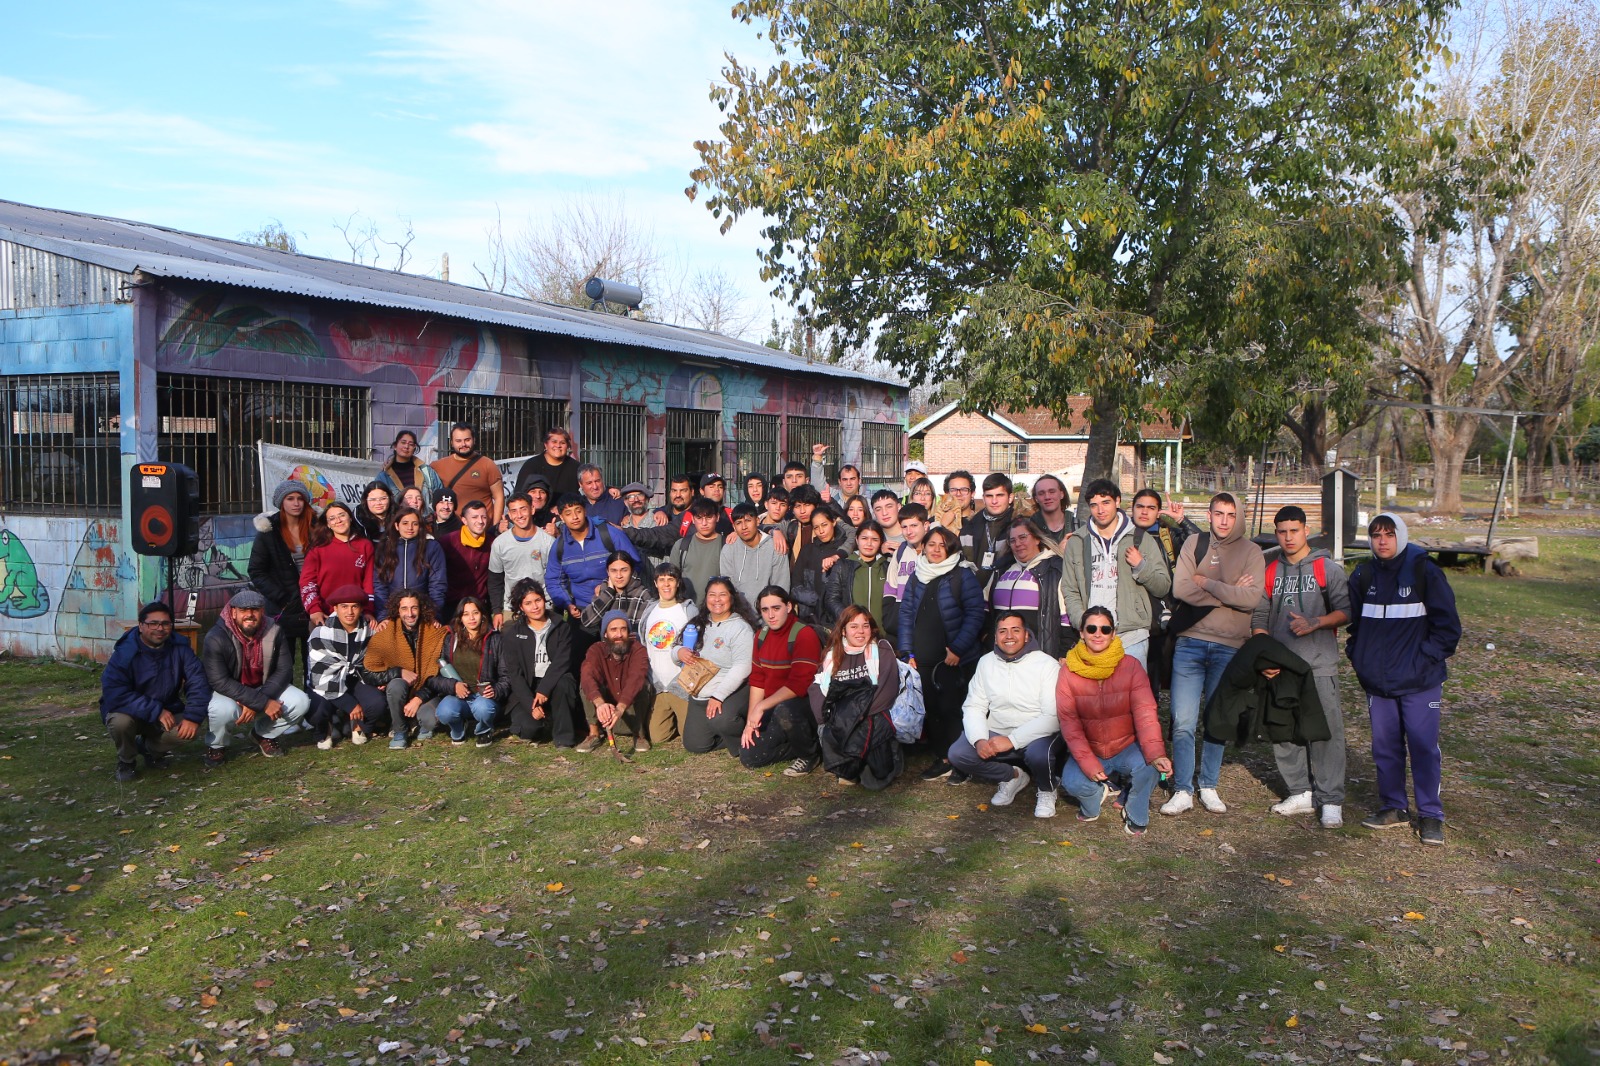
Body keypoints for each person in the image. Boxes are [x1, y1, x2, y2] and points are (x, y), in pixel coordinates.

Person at [1347, 512, 1461, 847]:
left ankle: (1431, 815)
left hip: (1419, 680)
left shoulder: (1424, 571)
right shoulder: (1363, 575)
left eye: (1389, 534)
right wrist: (1360, 657)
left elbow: (1448, 627)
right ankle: (1394, 807)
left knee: (1423, 747)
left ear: (1402, 536)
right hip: (1378, 681)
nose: (1382, 541)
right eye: (1376, 535)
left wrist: (1423, 659)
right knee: (1385, 747)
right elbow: (1355, 625)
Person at [1161, 492, 1264, 816]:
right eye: (1218, 513)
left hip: (1230, 646)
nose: (1224, 520)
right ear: (1208, 515)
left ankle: (1208, 784)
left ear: (1238, 517)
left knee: (1217, 719)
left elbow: (1251, 599)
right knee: (1183, 720)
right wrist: (1230, 591)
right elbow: (1181, 589)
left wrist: (1207, 583)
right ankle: (1182, 789)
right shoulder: (1195, 544)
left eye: (1230, 514)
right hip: (1190, 643)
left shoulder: (1252, 552)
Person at [1250, 506, 1352, 827]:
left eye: (1294, 530)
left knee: (1325, 733)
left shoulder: (1327, 569)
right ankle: (1300, 792)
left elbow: (1346, 610)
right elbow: (1259, 617)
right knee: (1284, 730)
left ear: (1307, 530)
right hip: (1281, 668)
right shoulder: (1269, 570)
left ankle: (1330, 799)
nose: (1288, 537)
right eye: (1282, 532)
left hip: (1318, 666)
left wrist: (1316, 622)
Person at [1056, 606, 1172, 835]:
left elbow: (1145, 713)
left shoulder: (1130, 666)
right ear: (1082, 633)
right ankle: (1095, 797)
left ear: (1113, 633)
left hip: (1125, 745)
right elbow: (1069, 724)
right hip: (1091, 748)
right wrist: (1088, 763)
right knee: (1073, 783)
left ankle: (1135, 810)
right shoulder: (1068, 671)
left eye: (1105, 629)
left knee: (1151, 766)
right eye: (1091, 629)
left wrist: (1156, 753)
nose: (1098, 634)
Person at [948, 612, 1067, 816]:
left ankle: (1047, 789)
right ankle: (1012, 776)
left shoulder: (1047, 665)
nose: (1009, 636)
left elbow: (1052, 717)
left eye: (1015, 630)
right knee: (958, 754)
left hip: (1036, 732)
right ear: (995, 637)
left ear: (1026, 635)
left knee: (1039, 755)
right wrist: (979, 739)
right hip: (998, 729)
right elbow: (974, 706)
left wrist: (1012, 740)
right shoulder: (986, 663)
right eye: (1003, 631)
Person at [897, 526, 986, 781]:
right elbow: (906, 614)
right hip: (921, 656)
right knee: (932, 710)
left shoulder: (962, 575)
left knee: (952, 709)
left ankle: (962, 763)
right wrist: (907, 652)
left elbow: (975, 615)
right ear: (924, 547)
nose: (936, 549)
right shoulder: (917, 575)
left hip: (951, 657)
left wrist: (958, 649)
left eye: (942, 545)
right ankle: (943, 758)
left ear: (951, 548)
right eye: (931, 544)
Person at [1060, 479, 1172, 671]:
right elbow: (1070, 589)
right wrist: (1083, 623)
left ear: (1118, 501)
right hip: (1092, 637)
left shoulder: (1140, 539)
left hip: (1132, 636)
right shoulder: (1077, 541)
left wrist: (1141, 567)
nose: (1100, 510)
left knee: (1131, 690)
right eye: (1094, 505)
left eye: (1106, 503)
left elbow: (1163, 586)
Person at [201, 589, 312, 768]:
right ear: (233, 612)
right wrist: (261, 702)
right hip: (230, 691)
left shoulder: (274, 630)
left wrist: (259, 700)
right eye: (243, 610)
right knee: (221, 709)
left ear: (262, 611)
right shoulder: (215, 637)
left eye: (255, 609)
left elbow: (284, 670)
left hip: (264, 687)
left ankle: (263, 734)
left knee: (300, 701)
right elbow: (218, 680)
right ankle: (216, 745)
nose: (250, 614)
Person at [101, 601, 209, 781]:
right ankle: (126, 761)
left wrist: (192, 717)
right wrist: (155, 710)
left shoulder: (181, 648)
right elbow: (114, 692)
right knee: (120, 722)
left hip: (168, 709)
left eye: (165, 623)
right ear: (141, 626)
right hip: (131, 712)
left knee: (188, 731)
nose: (160, 628)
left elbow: (199, 682)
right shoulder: (124, 652)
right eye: (153, 623)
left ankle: (148, 748)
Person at [734, 586, 824, 774]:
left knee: (786, 710)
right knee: (750, 756)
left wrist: (761, 707)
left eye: (776, 608)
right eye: (765, 610)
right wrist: (751, 721)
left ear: (789, 607)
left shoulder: (804, 634)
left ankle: (809, 754)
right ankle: (801, 744)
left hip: (802, 705)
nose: (771, 615)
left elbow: (800, 685)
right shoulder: (761, 636)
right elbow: (758, 680)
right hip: (773, 705)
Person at [811, 606, 902, 789]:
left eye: (865, 626)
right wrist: (828, 717)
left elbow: (886, 692)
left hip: (872, 716)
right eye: (854, 626)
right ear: (843, 630)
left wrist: (853, 715)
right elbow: (816, 689)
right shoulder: (832, 655)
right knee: (831, 730)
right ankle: (850, 765)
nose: (860, 631)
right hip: (840, 719)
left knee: (875, 781)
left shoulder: (882, 650)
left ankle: (887, 759)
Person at [362, 589, 449, 748]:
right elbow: (368, 671)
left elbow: (440, 674)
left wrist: (418, 698)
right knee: (396, 684)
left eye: (414, 608)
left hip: (427, 691)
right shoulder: (385, 633)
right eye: (404, 608)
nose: (410, 614)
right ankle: (399, 730)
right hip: (399, 692)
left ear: (421, 608)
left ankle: (418, 721)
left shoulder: (435, 632)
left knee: (429, 720)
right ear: (397, 610)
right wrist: (398, 672)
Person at [501, 579, 581, 746]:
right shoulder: (512, 633)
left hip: (554, 681)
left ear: (544, 600)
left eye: (538, 600)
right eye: (528, 603)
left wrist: (544, 689)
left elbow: (562, 662)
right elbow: (515, 675)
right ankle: (541, 719)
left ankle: (564, 739)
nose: (535, 607)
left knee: (565, 682)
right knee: (530, 730)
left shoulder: (561, 626)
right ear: (521, 607)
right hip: (528, 686)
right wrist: (531, 704)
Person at [305, 584, 387, 748]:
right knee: (317, 711)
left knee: (377, 704)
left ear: (361, 608)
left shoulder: (369, 631)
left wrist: (380, 678)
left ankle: (357, 725)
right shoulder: (321, 633)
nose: (350, 612)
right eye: (344, 607)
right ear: (335, 608)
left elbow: (377, 659)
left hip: (355, 678)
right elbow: (320, 678)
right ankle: (325, 727)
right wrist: (351, 705)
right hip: (324, 682)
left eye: (354, 606)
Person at [249, 480, 313, 678]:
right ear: (281, 502)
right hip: (283, 607)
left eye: (300, 498)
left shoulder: (317, 526)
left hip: (313, 603)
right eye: (290, 498)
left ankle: (314, 697)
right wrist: (282, 598)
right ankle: (286, 697)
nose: (296, 503)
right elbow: (256, 571)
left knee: (315, 661)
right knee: (283, 664)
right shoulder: (268, 531)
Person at [546, 494, 640, 623]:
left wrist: (607, 586)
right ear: (561, 517)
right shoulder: (559, 546)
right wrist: (567, 604)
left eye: (578, 511)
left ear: (585, 511)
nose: (574, 517)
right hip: (582, 611)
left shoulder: (609, 534)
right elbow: (554, 581)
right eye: (568, 513)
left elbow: (634, 565)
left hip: (616, 606)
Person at [435, 597, 508, 747]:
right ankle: (458, 729)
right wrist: (453, 686)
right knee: (444, 711)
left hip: (484, 698)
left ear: (482, 615)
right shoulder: (450, 639)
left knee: (483, 709)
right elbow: (435, 676)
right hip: (459, 696)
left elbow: (506, 675)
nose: (472, 618)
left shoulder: (495, 639)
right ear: (460, 618)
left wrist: (495, 690)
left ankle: (484, 731)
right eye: (466, 614)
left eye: (475, 613)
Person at [992, 517, 1071, 657]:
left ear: (1036, 539)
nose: (1018, 544)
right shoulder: (1001, 569)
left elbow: (1066, 618)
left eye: (1023, 537)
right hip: (1003, 654)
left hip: (1040, 653)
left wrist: (1064, 653)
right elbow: (985, 608)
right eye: (1012, 540)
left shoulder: (1055, 569)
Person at [640, 564, 699, 746]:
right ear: (655, 583)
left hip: (680, 684)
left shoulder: (688, 610)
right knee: (658, 737)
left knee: (689, 737)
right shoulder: (649, 610)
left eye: (671, 580)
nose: (666, 584)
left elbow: (699, 646)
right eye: (662, 580)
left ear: (678, 582)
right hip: (657, 684)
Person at [578, 612, 651, 753]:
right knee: (586, 684)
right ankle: (594, 733)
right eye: (613, 630)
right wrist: (600, 704)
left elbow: (637, 677)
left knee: (643, 685)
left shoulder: (638, 650)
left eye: (623, 629)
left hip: (628, 711)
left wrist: (621, 707)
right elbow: (587, 675)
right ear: (605, 634)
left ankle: (639, 734)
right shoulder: (596, 650)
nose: (619, 634)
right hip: (606, 714)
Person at [299, 501, 375, 628]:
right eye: (332, 518)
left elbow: (369, 582)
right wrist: (314, 609)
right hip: (324, 615)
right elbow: (307, 582)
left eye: (342, 515)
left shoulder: (365, 545)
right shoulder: (317, 549)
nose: (338, 521)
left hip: (356, 615)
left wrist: (368, 610)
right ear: (328, 524)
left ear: (350, 518)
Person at [489, 492, 555, 628]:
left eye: (523, 509)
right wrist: (497, 611)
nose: (519, 515)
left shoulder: (548, 542)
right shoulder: (500, 543)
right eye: (514, 511)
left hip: (542, 606)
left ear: (532, 509)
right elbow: (495, 579)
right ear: (509, 514)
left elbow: (555, 578)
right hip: (512, 608)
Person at [374, 507, 447, 619]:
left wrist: (434, 614)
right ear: (397, 526)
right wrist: (383, 616)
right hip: (393, 612)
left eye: (415, 524)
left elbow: (437, 584)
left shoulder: (431, 547)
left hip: (423, 611)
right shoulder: (385, 548)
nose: (410, 528)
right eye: (405, 523)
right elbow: (380, 584)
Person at [823, 520, 893, 635]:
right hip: (852, 634)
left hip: (882, 635)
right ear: (857, 539)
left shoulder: (888, 567)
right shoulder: (843, 566)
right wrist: (849, 619)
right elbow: (832, 599)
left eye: (875, 539)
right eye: (864, 538)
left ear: (881, 542)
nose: (869, 544)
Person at [430, 423, 505, 526]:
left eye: (467, 440)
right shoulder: (437, 466)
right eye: (458, 441)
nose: (463, 444)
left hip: (482, 528)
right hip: (451, 529)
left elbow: (499, 497)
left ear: (474, 440)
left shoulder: (488, 465)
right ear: (451, 442)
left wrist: (495, 527)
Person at [792, 503, 851, 627]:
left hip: (838, 619)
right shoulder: (807, 550)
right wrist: (818, 600)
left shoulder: (844, 551)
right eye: (816, 527)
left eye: (824, 525)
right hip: (809, 619)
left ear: (833, 522)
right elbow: (795, 586)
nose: (821, 531)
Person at [722, 501, 791, 606]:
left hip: (768, 612)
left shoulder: (776, 546)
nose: (744, 527)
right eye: (738, 523)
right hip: (738, 613)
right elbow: (728, 588)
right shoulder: (729, 549)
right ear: (734, 527)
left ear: (758, 521)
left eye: (748, 520)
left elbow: (781, 587)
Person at [438, 499, 496, 619]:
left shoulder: (492, 543)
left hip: (479, 605)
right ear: (464, 520)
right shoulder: (448, 542)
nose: (480, 521)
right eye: (474, 517)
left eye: (484, 517)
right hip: (452, 606)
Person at [960, 472, 1018, 592]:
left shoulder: (1018, 526)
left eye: (1000, 495)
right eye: (989, 496)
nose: (994, 501)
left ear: (1010, 498)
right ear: (983, 498)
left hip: (1004, 592)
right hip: (973, 593)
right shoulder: (970, 526)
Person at [582, 550, 656, 637]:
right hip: (607, 644)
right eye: (613, 571)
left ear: (632, 571)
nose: (619, 576)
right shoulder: (603, 591)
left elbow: (640, 633)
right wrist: (608, 594)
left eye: (624, 570)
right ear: (608, 572)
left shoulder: (643, 595)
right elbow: (587, 621)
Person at [669, 497, 728, 604]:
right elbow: (672, 580)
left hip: (717, 608)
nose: (704, 523)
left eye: (709, 517)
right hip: (686, 608)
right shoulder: (681, 546)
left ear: (717, 517)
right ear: (692, 519)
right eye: (699, 518)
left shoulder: (726, 546)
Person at [376, 429, 445, 510]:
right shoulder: (384, 476)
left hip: (424, 517)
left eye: (411, 444)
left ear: (414, 448)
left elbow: (439, 496)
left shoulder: (426, 472)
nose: (406, 446)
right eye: (403, 442)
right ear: (395, 446)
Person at [513, 426, 581, 501]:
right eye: (554, 442)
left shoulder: (576, 467)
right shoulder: (531, 465)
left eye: (562, 443)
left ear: (567, 446)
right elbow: (519, 495)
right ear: (546, 444)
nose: (558, 446)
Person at [882, 502, 928, 608]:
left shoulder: (936, 551)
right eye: (904, 527)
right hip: (902, 613)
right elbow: (890, 589)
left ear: (925, 526)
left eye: (914, 526)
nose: (909, 531)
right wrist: (891, 615)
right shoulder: (900, 551)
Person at [1030, 474, 1076, 546]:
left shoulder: (1078, 526)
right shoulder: (1029, 529)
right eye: (1041, 493)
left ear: (1062, 494)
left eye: (1052, 492)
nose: (1047, 497)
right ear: (1036, 499)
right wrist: (1059, 551)